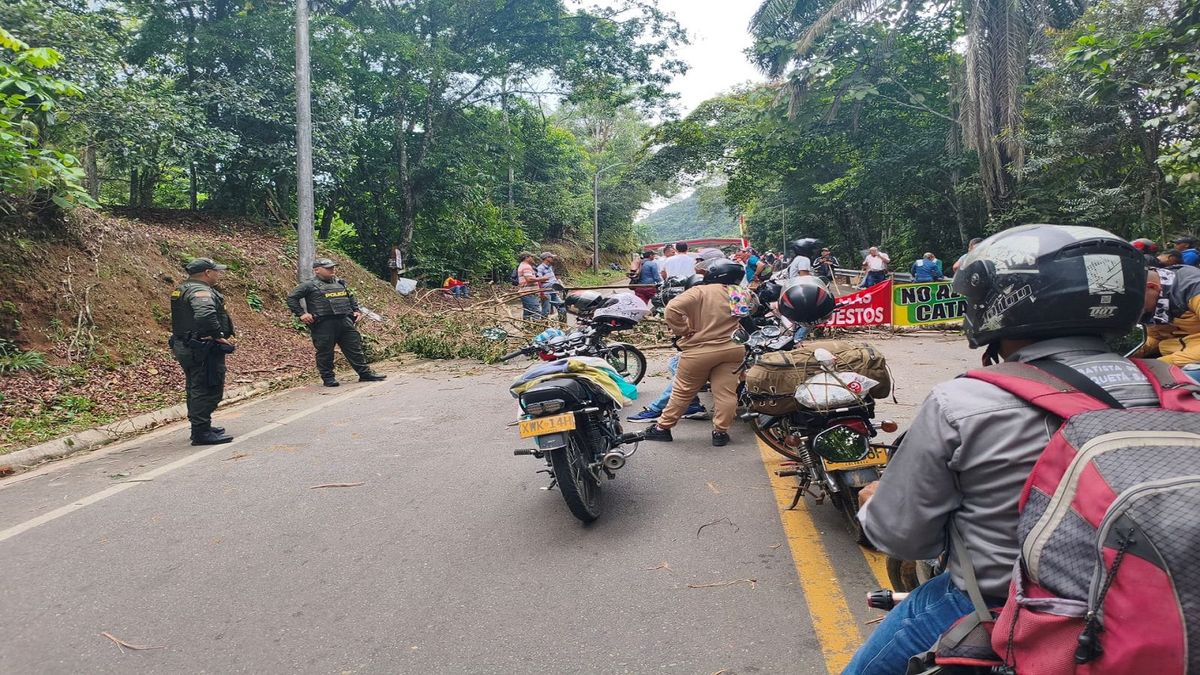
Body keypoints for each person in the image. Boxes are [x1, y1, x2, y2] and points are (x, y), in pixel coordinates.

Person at [845, 225, 1154, 675]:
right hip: (1156, 604)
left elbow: (902, 538)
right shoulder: (1180, 388)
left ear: (1003, 302)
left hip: (998, 608)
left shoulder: (965, 402)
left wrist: (876, 502)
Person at [642, 259, 749, 447]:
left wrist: (682, 330)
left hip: (699, 351)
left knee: (683, 391)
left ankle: (662, 428)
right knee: (725, 393)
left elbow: (671, 309)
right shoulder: (738, 293)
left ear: (716, 273)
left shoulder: (699, 291)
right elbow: (744, 317)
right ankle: (720, 433)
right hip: (732, 349)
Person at [287, 258, 387, 387]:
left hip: (344, 320)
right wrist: (302, 314)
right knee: (325, 352)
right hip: (323, 323)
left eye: (333, 267)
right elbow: (292, 298)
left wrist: (356, 310)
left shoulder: (340, 283)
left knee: (354, 348)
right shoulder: (309, 285)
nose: (332, 270)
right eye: (328, 268)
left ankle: (365, 374)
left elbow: (350, 297)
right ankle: (328, 378)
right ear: (317, 270)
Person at [170, 258, 236, 445]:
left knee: (196, 385)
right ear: (207, 272)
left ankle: (201, 426)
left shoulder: (182, 288)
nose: (218, 274)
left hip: (187, 344)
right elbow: (205, 315)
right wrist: (217, 336)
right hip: (201, 347)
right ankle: (201, 432)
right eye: (216, 271)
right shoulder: (200, 291)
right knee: (208, 386)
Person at [1139, 262, 1200, 367]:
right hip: (1176, 351)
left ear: (1152, 287)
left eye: (1133, 301)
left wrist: (1158, 365)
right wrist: (1125, 353)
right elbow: (1155, 337)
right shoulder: (1151, 302)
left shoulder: (1193, 288)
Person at [515, 252, 547, 321]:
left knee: (528, 312)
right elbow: (529, 279)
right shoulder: (526, 266)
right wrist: (542, 278)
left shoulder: (522, 265)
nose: (533, 258)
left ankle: (527, 328)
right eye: (531, 257)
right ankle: (537, 328)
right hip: (529, 293)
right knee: (536, 311)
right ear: (527, 257)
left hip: (526, 292)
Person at [537, 252, 566, 321]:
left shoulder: (550, 267)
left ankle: (563, 324)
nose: (553, 258)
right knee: (546, 310)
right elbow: (538, 281)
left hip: (553, 291)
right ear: (547, 258)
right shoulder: (540, 268)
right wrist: (542, 293)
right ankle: (544, 324)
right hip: (546, 291)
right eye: (551, 257)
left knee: (562, 307)